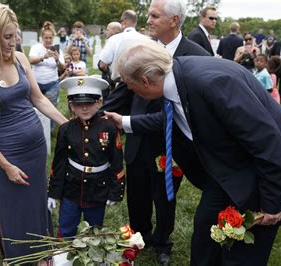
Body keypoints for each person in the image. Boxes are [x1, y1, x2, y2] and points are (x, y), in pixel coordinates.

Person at [105, 39, 281, 266]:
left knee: (244, 251)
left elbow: (266, 141)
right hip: (230, 166)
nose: (128, 89)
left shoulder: (213, 83)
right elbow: (173, 117)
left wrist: (273, 202)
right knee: (206, 231)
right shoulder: (174, 78)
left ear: (145, 81)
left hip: (268, 169)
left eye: (128, 83)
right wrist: (125, 122)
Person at [0, 2, 68, 261]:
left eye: (15, 35)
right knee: (13, 211)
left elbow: (38, 99)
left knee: (38, 206)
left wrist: (69, 125)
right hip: (6, 156)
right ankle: (17, 257)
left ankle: (42, 253)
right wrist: (6, 165)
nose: (13, 42)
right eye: (7, 37)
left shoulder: (19, 59)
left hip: (35, 151)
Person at [102, 0, 209, 264]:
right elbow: (125, 90)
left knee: (165, 197)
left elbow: (188, 111)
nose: (147, 20)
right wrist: (96, 113)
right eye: (147, 14)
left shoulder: (196, 55)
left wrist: (126, 122)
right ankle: (140, 235)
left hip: (171, 146)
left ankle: (163, 241)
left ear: (174, 20)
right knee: (137, 194)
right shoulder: (141, 49)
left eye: (154, 15)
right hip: (138, 141)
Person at [47, 76, 125, 237]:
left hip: (98, 189)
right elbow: (59, 163)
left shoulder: (109, 128)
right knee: (66, 228)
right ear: (71, 106)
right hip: (71, 189)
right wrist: (54, 192)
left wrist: (116, 191)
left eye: (89, 103)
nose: (84, 108)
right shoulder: (66, 129)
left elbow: (116, 161)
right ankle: (64, 258)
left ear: (99, 102)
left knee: (93, 232)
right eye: (78, 104)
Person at [29, 21, 65, 109]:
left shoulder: (57, 50)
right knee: (35, 108)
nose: (48, 40)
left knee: (51, 108)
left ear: (53, 38)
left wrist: (57, 60)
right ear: (42, 38)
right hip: (36, 83)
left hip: (52, 83)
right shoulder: (36, 47)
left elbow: (62, 67)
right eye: (46, 38)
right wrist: (43, 57)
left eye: (50, 38)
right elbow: (31, 60)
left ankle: (51, 123)